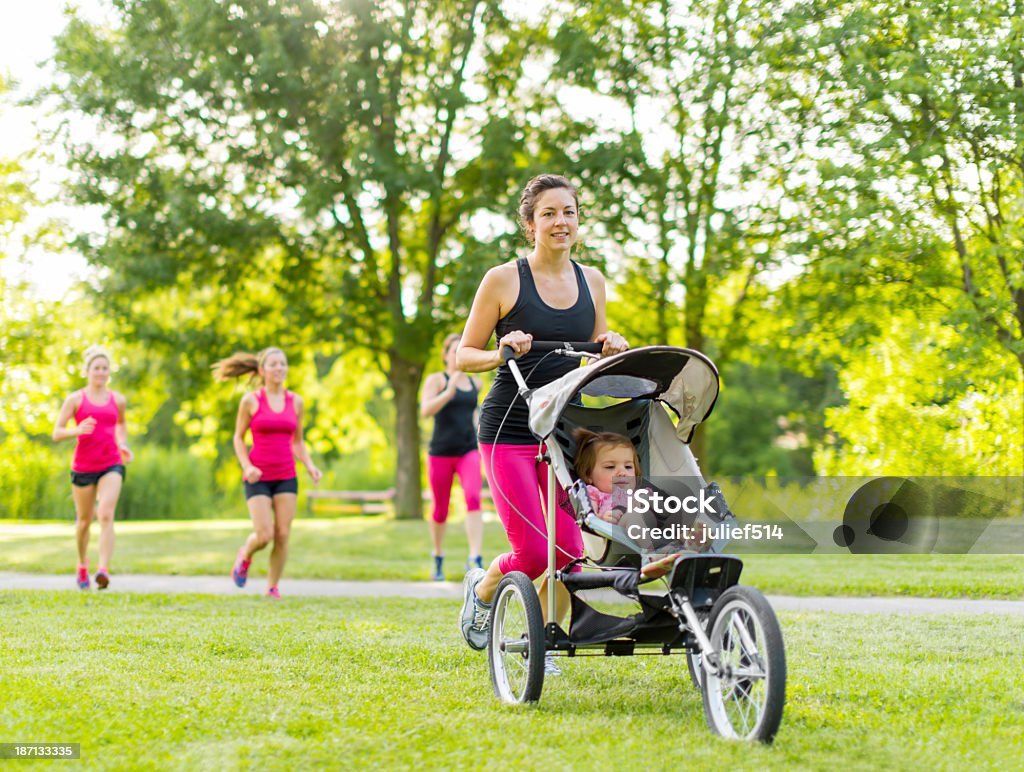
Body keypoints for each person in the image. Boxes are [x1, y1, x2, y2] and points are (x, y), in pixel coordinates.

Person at [455, 173, 629, 672]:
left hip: (559, 428)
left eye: (569, 212)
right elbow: (465, 354)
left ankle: (544, 639)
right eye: (549, 213)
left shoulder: (591, 281)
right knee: (532, 551)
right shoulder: (504, 279)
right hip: (508, 428)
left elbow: (592, 358)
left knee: (570, 550)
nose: (560, 222)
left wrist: (609, 347)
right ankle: (484, 589)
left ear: (578, 220)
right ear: (530, 224)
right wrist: (501, 351)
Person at [213, 347, 321, 598]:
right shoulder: (251, 401)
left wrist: (310, 465)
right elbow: (238, 438)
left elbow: (298, 441)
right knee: (264, 535)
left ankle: (272, 587)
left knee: (282, 534)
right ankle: (245, 554)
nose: (279, 368)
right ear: (262, 370)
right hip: (257, 476)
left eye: (283, 364)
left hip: (286, 475)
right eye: (273, 364)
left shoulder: (296, 401)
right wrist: (247, 466)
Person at [52, 346, 133, 590]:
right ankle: (82, 563)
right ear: (87, 371)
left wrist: (123, 444)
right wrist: (76, 430)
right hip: (84, 465)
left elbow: (121, 425)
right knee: (85, 521)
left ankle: (103, 570)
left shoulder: (118, 400)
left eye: (105, 368)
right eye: (96, 368)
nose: (100, 372)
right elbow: (56, 432)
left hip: (111, 463)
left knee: (106, 514)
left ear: (109, 372)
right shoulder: (75, 399)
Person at [572, 428, 682, 578]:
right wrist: (604, 518)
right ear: (588, 474)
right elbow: (590, 517)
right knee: (634, 517)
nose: (622, 472)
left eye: (628, 467)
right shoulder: (593, 492)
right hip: (619, 537)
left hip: (655, 529)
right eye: (610, 467)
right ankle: (649, 556)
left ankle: (687, 547)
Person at [420, 332, 485, 581]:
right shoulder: (436, 380)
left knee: (472, 497)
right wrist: (448, 391)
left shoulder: (475, 383)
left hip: (467, 450)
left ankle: (475, 558)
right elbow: (426, 411)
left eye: (462, 350)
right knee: (440, 509)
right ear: (445, 355)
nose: (457, 356)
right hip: (441, 452)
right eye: (453, 351)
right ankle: (438, 557)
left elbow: (475, 416)